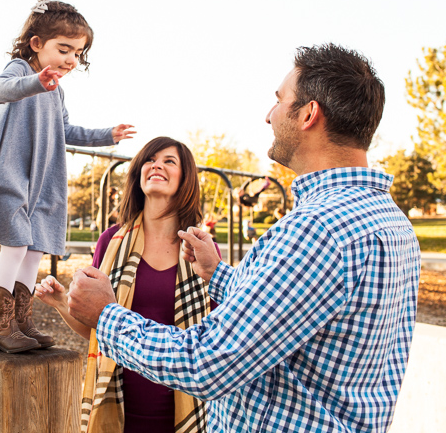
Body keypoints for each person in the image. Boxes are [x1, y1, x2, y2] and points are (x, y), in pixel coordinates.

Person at [67, 43, 421, 433]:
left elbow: (208, 363)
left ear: (308, 114)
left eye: (279, 100)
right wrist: (219, 275)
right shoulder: (393, 224)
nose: (269, 116)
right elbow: (294, 304)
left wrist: (107, 316)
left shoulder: (317, 230)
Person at [0, 0, 135, 354]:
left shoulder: (58, 91)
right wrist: (36, 81)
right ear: (37, 44)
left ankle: (21, 322)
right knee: (16, 245)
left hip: (42, 183)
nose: (71, 60)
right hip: (12, 176)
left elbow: (65, 130)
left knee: (35, 250)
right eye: (64, 49)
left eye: (77, 54)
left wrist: (106, 135)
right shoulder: (21, 71)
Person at [36, 137, 215, 433]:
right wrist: (61, 303)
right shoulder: (110, 242)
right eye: (150, 159)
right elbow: (97, 328)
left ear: (185, 179)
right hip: (115, 409)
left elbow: (215, 339)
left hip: (185, 412)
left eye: (169, 161)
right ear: (138, 173)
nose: (157, 164)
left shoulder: (200, 249)